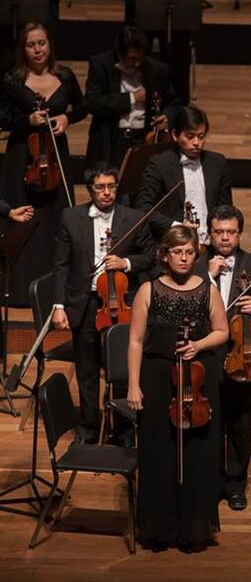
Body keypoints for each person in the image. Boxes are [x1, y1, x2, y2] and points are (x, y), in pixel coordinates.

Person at [126, 226, 229, 552]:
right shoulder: (147, 290)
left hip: (197, 378)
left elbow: (222, 332)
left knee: (197, 452)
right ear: (165, 256)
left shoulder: (207, 290)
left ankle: (193, 527)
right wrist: (133, 385)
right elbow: (136, 341)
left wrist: (197, 344)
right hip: (157, 379)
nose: (183, 258)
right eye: (177, 252)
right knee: (159, 451)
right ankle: (159, 527)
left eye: (188, 252)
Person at [52, 163, 156, 445]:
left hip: (120, 304)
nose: (107, 192)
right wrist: (58, 305)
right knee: (87, 370)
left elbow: (152, 255)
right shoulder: (71, 217)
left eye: (111, 186)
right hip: (84, 303)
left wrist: (126, 262)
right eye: (100, 187)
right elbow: (61, 265)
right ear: (90, 189)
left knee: (120, 369)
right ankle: (88, 425)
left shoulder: (133, 217)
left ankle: (121, 428)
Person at [195, 205, 251, 512]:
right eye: (219, 232)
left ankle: (235, 484)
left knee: (240, 423)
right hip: (205, 354)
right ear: (209, 233)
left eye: (231, 232)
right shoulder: (195, 265)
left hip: (242, 355)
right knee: (206, 419)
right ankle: (209, 481)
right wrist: (207, 277)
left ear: (240, 233)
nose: (225, 238)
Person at [0, 22, 84, 306]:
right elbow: (2, 118)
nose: (37, 50)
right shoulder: (12, 79)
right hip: (23, 156)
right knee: (24, 216)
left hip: (56, 155)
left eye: (42, 43)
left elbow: (82, 107)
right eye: (31, 44)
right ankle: (20, 288)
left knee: (57, 217)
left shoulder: (65, 75)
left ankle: (57, 289)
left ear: (50, 45)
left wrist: (66, 119)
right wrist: (27, 121)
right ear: (22, 49)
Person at [135, 106, 233, 246]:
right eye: (190, 136)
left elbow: (226, 209)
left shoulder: (217, 163)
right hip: (172, 246)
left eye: (201, 136)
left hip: (210, 245)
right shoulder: (159, 164)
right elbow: (143, 209)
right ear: (175, 135)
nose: (196, 143)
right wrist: (177, 227)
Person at [84, 25, 179, 168]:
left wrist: (167, 116)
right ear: (120, 53)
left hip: (144, 139)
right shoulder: (100, 65)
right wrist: (132, 98)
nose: (137, 63)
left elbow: (174, 101)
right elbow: (93, 103)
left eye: (141, 57)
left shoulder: (157, 69)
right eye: (132, 58)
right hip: (111, 141)